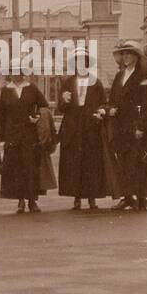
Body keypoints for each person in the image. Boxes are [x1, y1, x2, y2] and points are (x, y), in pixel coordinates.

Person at [56, 47, 111, 210]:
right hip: (72, 129)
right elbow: (61, 108)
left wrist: (100, 113)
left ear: (87, 64)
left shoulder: (96, 82)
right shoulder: (67, 83)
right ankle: (77, 197)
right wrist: (64, 100)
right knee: (74, 164)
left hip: (90, 128)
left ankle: (92, 198)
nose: (80, 64)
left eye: (83, 61)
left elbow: (103, 104)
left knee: (91, 164)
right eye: (77, 61)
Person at [106, 41, 147, 210]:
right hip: (121, 126)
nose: (126, 56)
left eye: (129, 53)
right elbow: (113, 99)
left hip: (136, 126)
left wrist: (141, 127)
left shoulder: (143, 76)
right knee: (124, 163)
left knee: (140, 163)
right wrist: (111, 109)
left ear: (136, 56)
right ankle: (127, 197)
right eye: (123, 53)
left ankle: (142, 198)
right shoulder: (119, 75)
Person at [0, 68, 50, 213]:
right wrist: (1, 139)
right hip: (12, 136)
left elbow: (44, 105)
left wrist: (37, 117)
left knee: (31, 167)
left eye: (18, 71)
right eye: (13, 72)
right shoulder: (5, 91)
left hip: (29, 134)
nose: (16, 75)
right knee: (16, 168)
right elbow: (0, 116)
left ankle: (32, 201)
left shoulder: (31, 88)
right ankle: (20, 201)